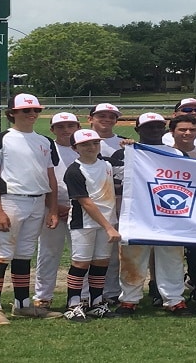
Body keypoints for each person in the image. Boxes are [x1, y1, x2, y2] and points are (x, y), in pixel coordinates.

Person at [0, 93, 61, 326]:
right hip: (11, 200)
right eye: (26, 110)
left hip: (37, 201)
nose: (32, 114)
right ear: (12, 113)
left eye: (35, 110)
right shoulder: (0, 139)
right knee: (2, 252)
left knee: (24, 253)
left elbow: (50, 177)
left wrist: (53, 208)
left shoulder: (45, 141)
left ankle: (22, 304)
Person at [112, 113, 192, 316]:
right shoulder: (124, 153)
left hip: (169, 214)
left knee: (172, 258)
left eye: (158, 127)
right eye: (148, 127)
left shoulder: (177, 154)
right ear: (138, 130)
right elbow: (118, 184)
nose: (154, 131)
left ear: (164, 129)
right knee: (132, 258)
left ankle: (174, 300)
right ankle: (129, 300)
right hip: (136, 215)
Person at [62, 129, 122, 322]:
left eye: (95, 143)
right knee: (80, 264)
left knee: (100, 263)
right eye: (85, 144)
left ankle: (96, 303)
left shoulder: (107, 164)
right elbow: (85, 202)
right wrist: (108, 226)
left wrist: (130, 147)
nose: (91, 147)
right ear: (75, 148)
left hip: (107, 222)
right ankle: (73, 304)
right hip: (84, 224)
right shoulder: (74, 170)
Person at [33, 112, 80, 311]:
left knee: (80, 255)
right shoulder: (45, 148)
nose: (66, 130)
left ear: (78, 127)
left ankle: (82, 295)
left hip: (81, 208)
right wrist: (54, 206)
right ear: (52, 130)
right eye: (60, 126)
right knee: (48, 252)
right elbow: (39, 180)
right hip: (52, 207)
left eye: (70, 126)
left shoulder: (87, 146)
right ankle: (43, 296)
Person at [86, 103, 125, 305]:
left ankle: (110, 292)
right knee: (84, 254)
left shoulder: (124, 144)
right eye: (101, 115)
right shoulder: (82, 140)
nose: (107, 119)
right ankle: (84, 295)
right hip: (86, 204)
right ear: (90, 118)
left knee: (111, 253)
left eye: (112, 116)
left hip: (114, 203)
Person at [168, 114, 196, 302]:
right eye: (182, 129)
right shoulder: (162, 155)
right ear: (172, 132)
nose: (187, 133)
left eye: (192, 130)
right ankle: (168, 293)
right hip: (171, 213)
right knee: (171, 256)